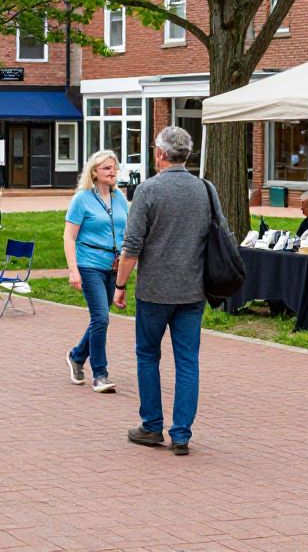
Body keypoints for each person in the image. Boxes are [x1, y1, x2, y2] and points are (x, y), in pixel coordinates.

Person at [114, 126, 224, 456]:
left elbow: (132, 246)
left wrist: (120, 285)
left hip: (154, 291)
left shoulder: (148, 190)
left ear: (161, 153)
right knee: (187, 361)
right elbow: (220, 232)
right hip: (193, 290)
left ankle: (151, 425)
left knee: (148, 356)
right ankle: (181, 433)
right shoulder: (206, 189)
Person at [63, 150, 128, 394]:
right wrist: (73, 271)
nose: (113, 172)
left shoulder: (120, 198)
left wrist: (124, 260)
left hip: (113, 266)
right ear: (94, 172)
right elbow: (69, 237)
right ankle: (100, 374)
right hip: (89, 264)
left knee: (100, 319)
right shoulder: (82, 199)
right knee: (101, 318)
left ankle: (77, 356)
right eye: (107, 168)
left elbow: (126, 231)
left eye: (114, 167)